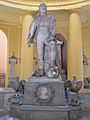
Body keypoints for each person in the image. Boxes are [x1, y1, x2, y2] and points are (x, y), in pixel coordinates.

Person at [27, 3, 57, 76]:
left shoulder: (51, 18)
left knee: (52, 49)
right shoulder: (36, 18)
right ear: (39, 9)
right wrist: (29, 39)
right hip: (39, 36)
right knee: (40, 55)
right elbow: (32, 29)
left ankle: (51, 67)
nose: (43, 8)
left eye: (44, 7)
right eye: (41, 7)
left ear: (46, 9)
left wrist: (51, 37)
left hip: (48, 36)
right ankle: (41, 71)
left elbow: (54, 29)